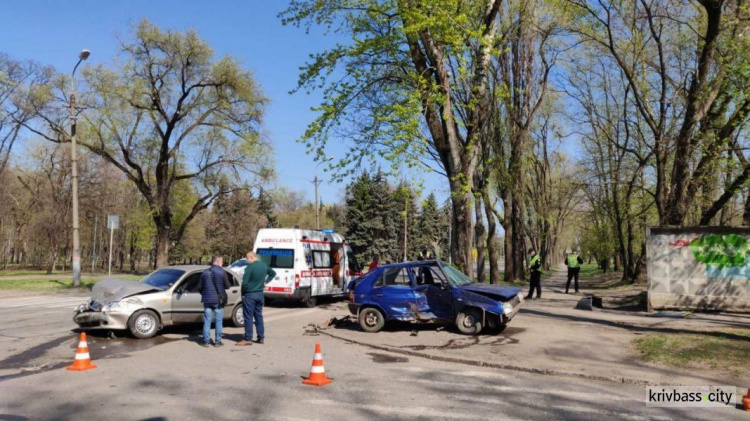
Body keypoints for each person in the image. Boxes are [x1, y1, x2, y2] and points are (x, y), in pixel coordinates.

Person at [236, 251, 276, 346]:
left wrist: (243, 293)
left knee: (248, 317)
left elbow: (244, 283)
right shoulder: (263, 265)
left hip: (249, 295)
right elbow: (273, 273)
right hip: (260, 294)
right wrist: (266, 282)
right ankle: (261, 337)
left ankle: (248, 338)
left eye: (247, 258)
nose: (246, 260)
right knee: (258, 316)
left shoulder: (250, 267)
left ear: (252, 257)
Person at [198, 254, 231, 347]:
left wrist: (205, 294)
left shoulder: (204, 272)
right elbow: (228, 286)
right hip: (218, 300)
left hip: (207, 300)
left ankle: (206, 341)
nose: (222, 263)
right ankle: (217, 342)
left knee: (207, 320)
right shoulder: (222, 272)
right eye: (222, 261)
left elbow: (199, 287)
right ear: (218, 261)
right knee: (218, 320)